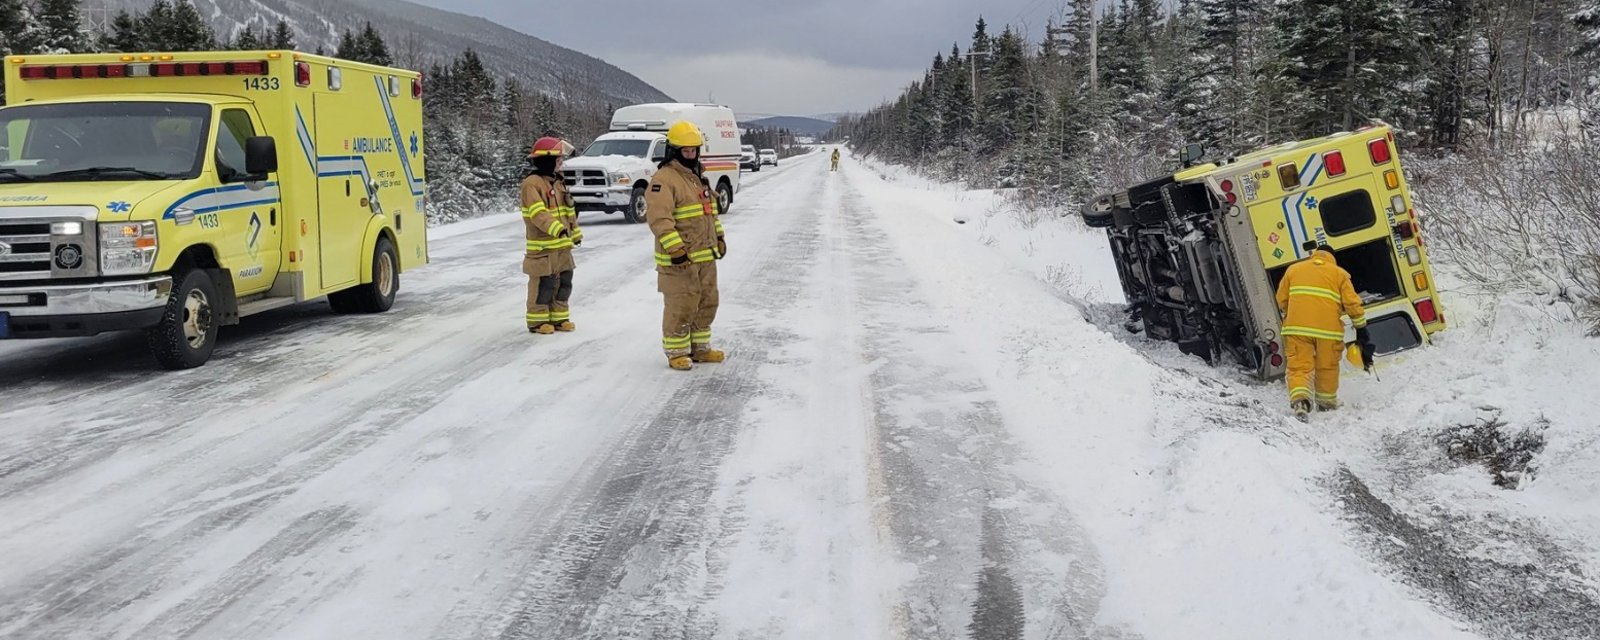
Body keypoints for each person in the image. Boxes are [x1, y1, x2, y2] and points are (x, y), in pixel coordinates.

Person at [645, 121, 726, 370]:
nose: (691, 155)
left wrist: (720, 238)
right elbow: (659, 219)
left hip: (704, 257)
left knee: (707, 301)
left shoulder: (697, 178)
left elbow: (710, 214)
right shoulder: (664, 179)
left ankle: (699, 348)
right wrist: (676, 250)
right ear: (674, 151)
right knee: (682, 304)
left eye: (694, 150)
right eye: (686, 151)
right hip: (679, 262)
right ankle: (677, 351)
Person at [1276, 242, 1370, 418]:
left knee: (1299, 367)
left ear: (1315, 255)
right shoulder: (1340, 274)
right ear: (1332, 259)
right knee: (1327, 366)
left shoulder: (1294, 269)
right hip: (1328, 332)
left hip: (1298, 328)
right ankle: (1326, 403)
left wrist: (1292, 312)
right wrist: (1361, 328)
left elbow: (1281, 299)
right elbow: (1352, 304)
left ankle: (1300, 402)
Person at [520, 136, 580, 334]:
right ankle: (538, 321)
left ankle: (559, 318)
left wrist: (575, 233)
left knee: (564, 282)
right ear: (547, 160)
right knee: (543, 285)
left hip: (562, 246)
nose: (561, 164)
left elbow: (568, 211)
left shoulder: (558, 183)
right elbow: (538, 214)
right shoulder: (532, 184)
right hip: (543, 248)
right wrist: (557, 229)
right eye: (558, 160)